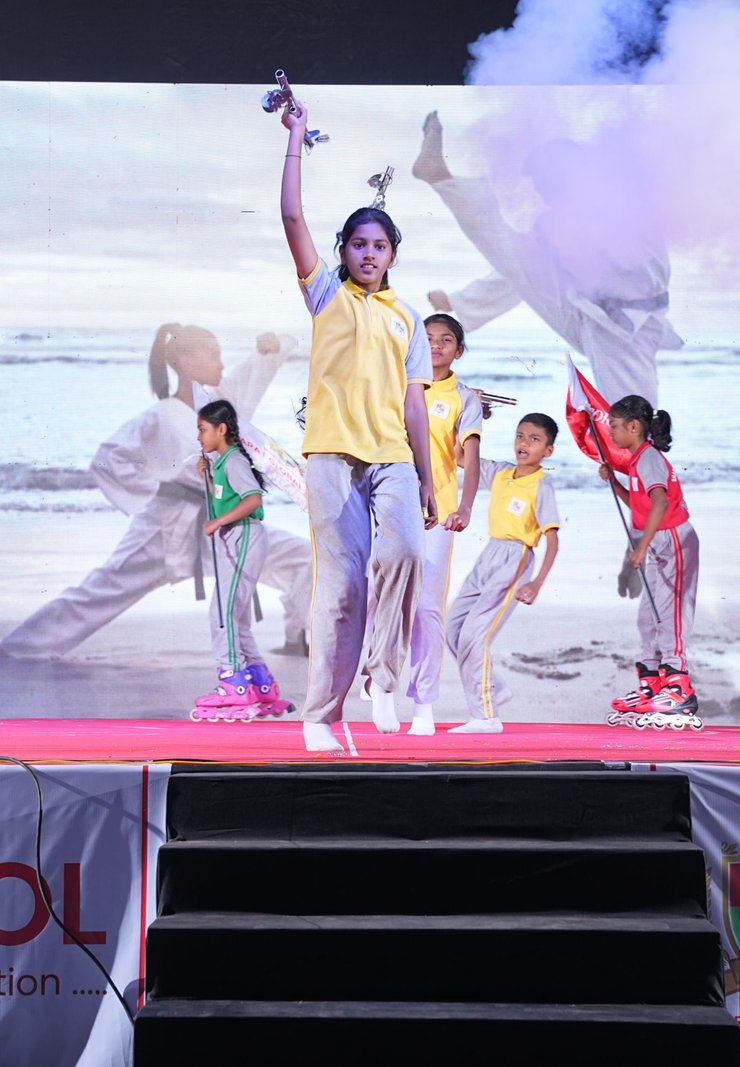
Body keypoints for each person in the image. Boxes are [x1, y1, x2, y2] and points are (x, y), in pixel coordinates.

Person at [0, 325, 310, 671]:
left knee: (302, 558)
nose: (221, 362)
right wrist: (157, 489)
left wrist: (268, 349)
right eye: (211, 353)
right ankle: (8, 651)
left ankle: (299, 635)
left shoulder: (222, 406)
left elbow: (254, 373)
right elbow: (109, 459)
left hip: (222, 523)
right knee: (101, 591)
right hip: (166, 527)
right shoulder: (159, 416)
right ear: (183, 360)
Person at [279, 96, 437, 753]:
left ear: (393, 254)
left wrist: (429, 479)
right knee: (341, 587)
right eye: (359, 244)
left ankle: (382, 675)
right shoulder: (326, 295)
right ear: (344, 250)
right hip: (332, 459)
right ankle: (320, 714)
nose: (369, 253)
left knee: (405, 554)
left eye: (380, 245)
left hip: (394, 457)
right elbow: (292, 216)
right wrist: (294, 136)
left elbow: (415, 406)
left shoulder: (408, 319)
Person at [411, 111, 681, 407]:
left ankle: (440, 178)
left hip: (623, 329)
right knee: (518, 255)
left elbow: (630, 268)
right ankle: (440, 178)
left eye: (546, 185)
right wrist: (459, 301)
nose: (543, 194)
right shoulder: (567, 220)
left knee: (633, 416)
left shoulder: (615, 210)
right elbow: (520, 271)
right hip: (590, 314)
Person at [361, 313, 483, 735]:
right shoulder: (395, 385)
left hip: (439, 514)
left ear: (458, 351)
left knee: (428, 608)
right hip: (390, 507)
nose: (435, 345)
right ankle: (375, 672)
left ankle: (423, 705)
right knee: (376, 595)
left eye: (446, 340)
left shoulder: (464, 398)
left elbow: (470, 459)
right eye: (427, 338)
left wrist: (465, 508)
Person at [444, 413, 561, 735]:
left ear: (548, 450)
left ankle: (486, 716)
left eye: (534, 439)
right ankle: (493, 688)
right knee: (454, 629)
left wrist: (536, 583)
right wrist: (467, 415)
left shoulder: (542, 486)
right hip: (489, 555)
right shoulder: (501, 473)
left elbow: (552, 540)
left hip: (516, 559)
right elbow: (459, 457)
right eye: (520, 436)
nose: (524, 443)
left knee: (475, 636)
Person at [599, 395, 701, 726]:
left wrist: (641, 547)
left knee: (671, 613)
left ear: (634, 427)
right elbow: (640, 504)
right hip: (657, 541)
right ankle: (652, 683)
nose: (610, 432)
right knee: (649, 615)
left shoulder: (649, 458)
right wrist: (615, 483)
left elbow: (660, 502)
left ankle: (678, 687)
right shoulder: (636, 461)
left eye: (614, 426)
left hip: (674, 540)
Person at [190, 400, 293, 721]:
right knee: (234, 615)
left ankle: (232, 681)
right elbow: (225, 498)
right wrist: (208, 478)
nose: (199, 437)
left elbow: (253, 500)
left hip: (243, 534)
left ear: (221, 429)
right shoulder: (223, 463)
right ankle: (259, 683)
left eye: (202, 430)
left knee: (223, 612)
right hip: (235, 537)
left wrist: (217, 523)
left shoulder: (234, 461)